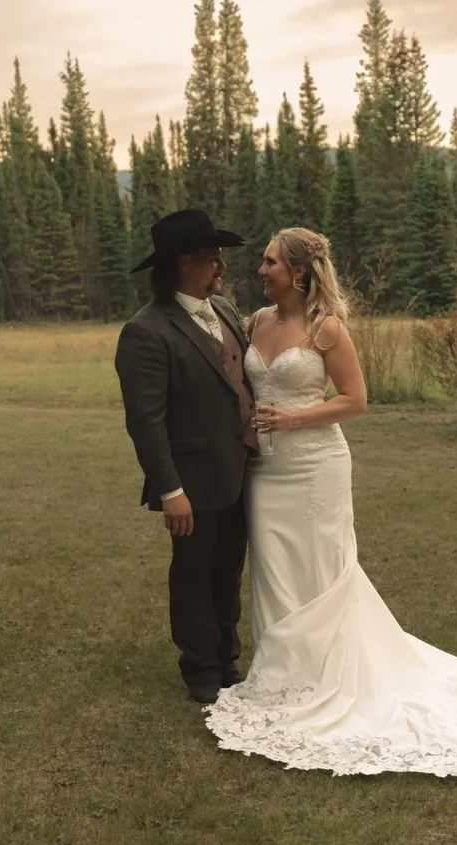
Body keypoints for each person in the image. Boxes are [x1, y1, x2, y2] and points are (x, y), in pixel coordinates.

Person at [204, 227, 457, 777]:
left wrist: (295, 418)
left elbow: (356, 400)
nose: (261, 270)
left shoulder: (327, 330)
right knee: (275, 570)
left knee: (322, 569)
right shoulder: (256, 322)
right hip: (266, 471)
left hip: (315, 467)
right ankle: (282, 676)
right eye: (263, 262)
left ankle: (329, 677)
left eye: (271, 262)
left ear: (299, 272)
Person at [114, 209, 257, 705]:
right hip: (191, 481)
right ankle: (200, 669)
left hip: (240, 471)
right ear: (182, 264)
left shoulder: (224, 310)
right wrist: (171, 491)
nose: (220, 267)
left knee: (228, 570)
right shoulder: (146, 332)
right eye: (211, 258)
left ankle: (227, 660)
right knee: (195, 573)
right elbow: (145, 421)